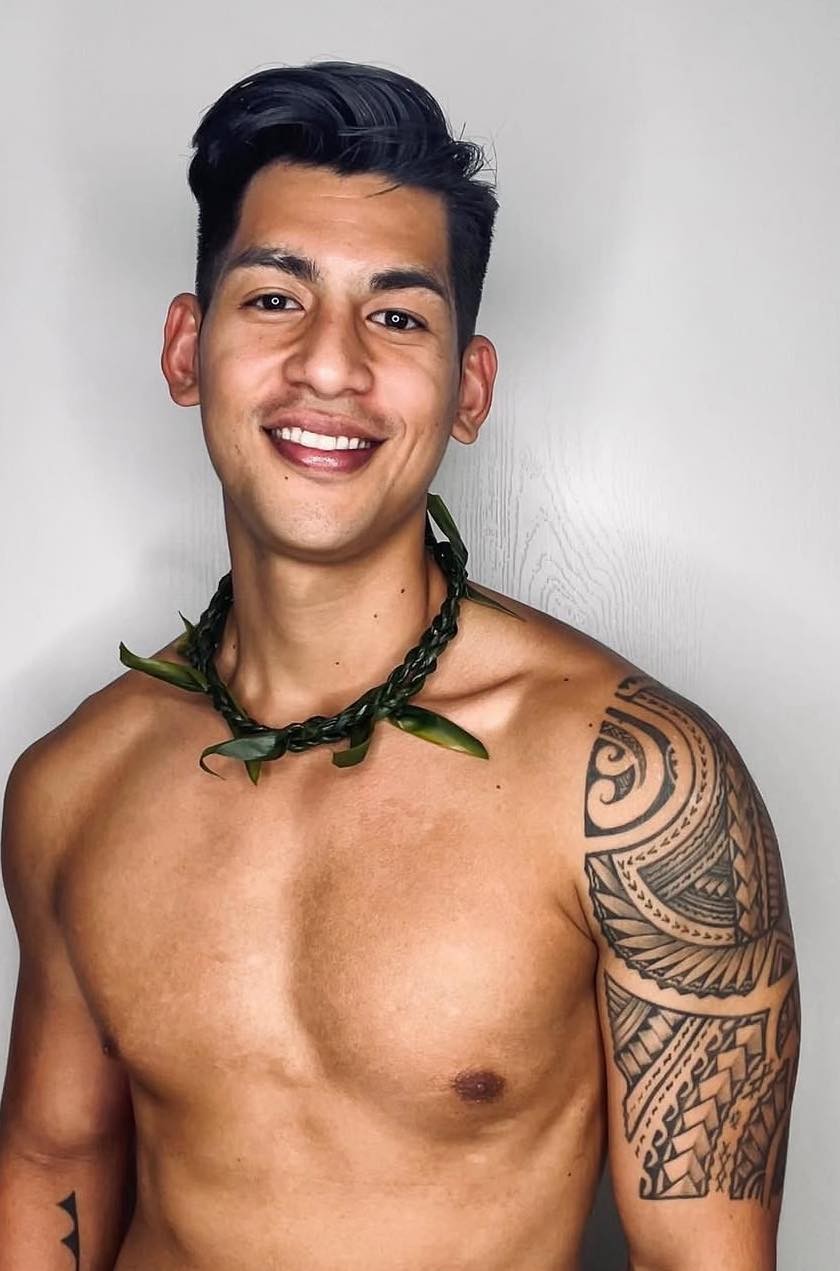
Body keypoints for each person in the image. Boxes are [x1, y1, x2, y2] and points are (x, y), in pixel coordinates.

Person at [0, 60, 799, 1271]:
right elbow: (53, 1156)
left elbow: (702, 1256)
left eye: (398, 316)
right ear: (186, 348)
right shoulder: (72, 783)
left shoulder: (636, 788)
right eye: (275, 298)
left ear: (469, 388)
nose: (330, 365)